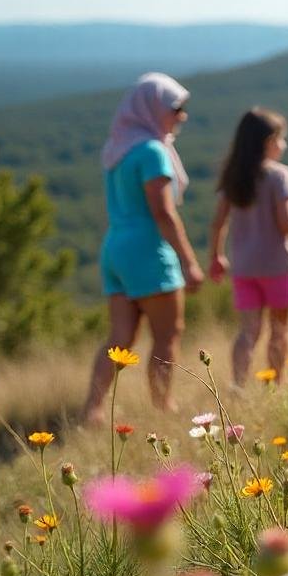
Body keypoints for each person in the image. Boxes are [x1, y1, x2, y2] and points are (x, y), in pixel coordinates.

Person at [83, 73, 204, 423]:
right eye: (175, 108)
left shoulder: (117, 148)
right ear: (152, 108)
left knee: (120, 337)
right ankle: (163, 408)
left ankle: (92, 410)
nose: (182, 116)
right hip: (148, 251)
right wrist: (189, 262)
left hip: (115, 249)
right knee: (168, 335)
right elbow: (164, 213)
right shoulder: (152, 152)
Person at [207, 108, 288, 387]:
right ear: (268, 141)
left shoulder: (234, 177)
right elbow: (287, 221)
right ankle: (276, 383)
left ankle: (238, 385)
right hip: (278, 265)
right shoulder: (279, 175)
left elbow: (218, 223)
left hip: (244, 267)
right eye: (281, 139)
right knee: (279, 330)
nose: (283, 145)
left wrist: (216, 257)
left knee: (248, 331)